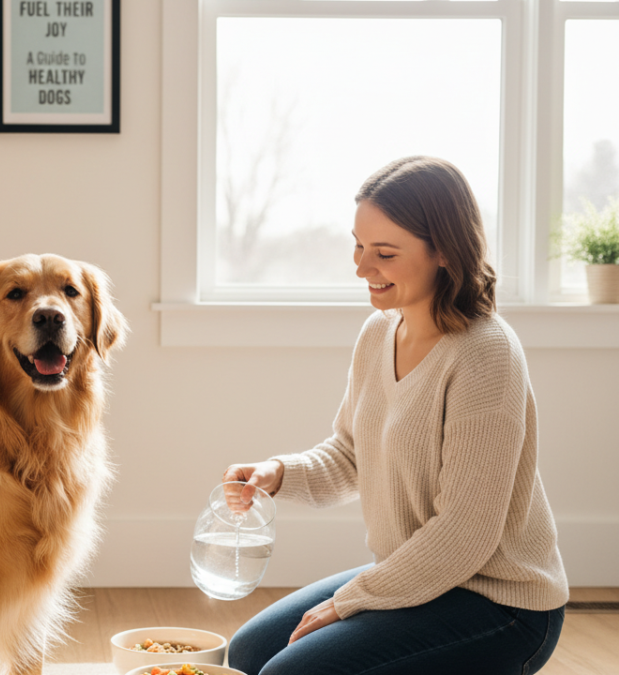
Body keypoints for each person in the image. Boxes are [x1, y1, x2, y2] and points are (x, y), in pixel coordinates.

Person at [223, 156, 569, 675]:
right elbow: (349, 455)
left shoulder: (485, 354)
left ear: (445, 252)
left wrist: (349, 601)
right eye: (358, 246)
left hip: (503, 605)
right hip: (425, 577)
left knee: (287, 673)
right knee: (250, 653)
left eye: (384, 252)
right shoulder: (379, 332)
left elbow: (462, 535)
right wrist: (279, 474)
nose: (361, 267)